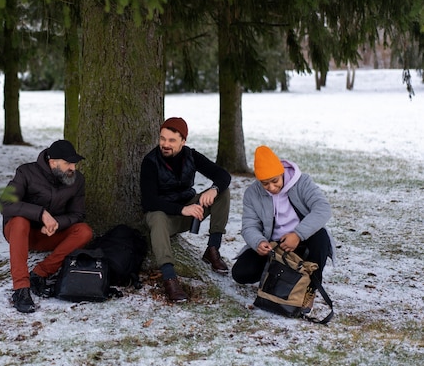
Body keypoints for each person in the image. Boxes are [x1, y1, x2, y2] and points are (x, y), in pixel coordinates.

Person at [231, 145, 335, 312]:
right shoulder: (252, 193)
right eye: (265, 184)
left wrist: (298, 234)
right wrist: (258, 242)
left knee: (321, 236)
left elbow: (323, 209)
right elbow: (249, 225)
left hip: (303, 240)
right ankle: (273, 276)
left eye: (275, 181)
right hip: (273, 245)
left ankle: (310, 287)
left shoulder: (302, 182)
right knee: (241, 273)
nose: (272, 187)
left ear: (282, 173)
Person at [140, 117, 232, 302]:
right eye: (162, 138)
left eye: (171, 140)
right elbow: (149, 202)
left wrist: (213, 190)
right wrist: (182, 209)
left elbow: (223, 175)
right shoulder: (150, 161)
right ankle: (169, 278)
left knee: (223, 192)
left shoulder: (191, 155)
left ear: (183, 142)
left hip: (190, 211)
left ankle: (213, 248)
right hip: (164, 218)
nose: (165, 144)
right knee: (157, 217)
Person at [0, 140, 93, 313]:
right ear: (52, 162)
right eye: (67, 163)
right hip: (19, 233)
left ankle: (40, 274)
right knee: (20, 220)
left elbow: (77, 215)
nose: (73, 167)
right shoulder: (26, 172)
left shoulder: (77, 180)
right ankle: (21, 289)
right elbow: (5, 203)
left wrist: (57, 224)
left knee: (84, 231)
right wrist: (41, 213)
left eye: (74, 163)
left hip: (49, 234)